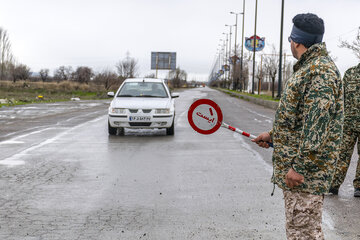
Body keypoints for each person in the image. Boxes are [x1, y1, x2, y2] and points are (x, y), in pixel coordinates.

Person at [252, 13, 343, 240]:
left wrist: (300, 167)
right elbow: (300, 118)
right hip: (301, 171)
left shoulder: (320, 71)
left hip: (306, 175)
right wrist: (273, 136)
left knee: (303, 235)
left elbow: (317, 125)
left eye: (291, 39)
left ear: (296, 41)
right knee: (303, 232)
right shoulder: (310, 68)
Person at [330, 63, 360, 197]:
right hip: (348, 123)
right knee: (342, 154)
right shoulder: (350, 73)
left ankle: (359, 187)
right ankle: (334, 185)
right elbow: (340, 97)